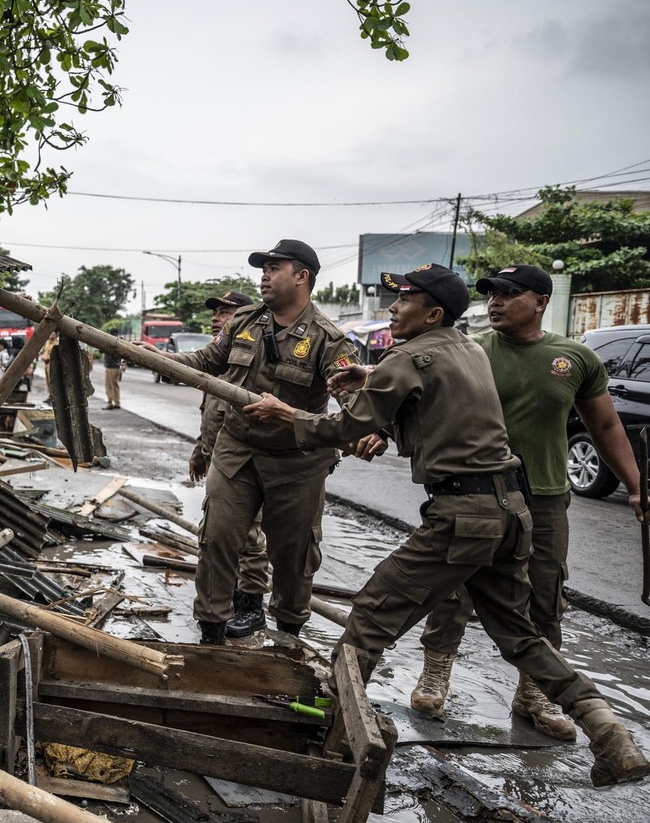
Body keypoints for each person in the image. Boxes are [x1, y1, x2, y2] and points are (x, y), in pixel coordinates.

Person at [243, 262, 650, 789]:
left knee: (372, 614)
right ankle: (610, 734)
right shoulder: (468, 349)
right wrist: (371, 380)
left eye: (403, 300)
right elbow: (430, 404)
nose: (393, 308)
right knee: (521, 636)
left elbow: (346, 425)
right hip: (512, 510)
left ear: (433, 313)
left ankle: (326, 726)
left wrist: (286, 413)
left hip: (463, 513)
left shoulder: (410, 356)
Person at [411, 264, 645, 741]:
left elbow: (604, 426)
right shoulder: (470, 350)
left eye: (510, 292)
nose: (495, 301)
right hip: (474, 492)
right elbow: (417, 395)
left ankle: (534, 691)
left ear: (541, 301)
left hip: (544, 496)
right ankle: (435, 673)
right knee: (456, 585)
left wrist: (636, 485)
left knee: (545, 593)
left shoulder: (575, 357)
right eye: (491, 293)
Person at [142, 239, 365, 645]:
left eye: (274, 268)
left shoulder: (328, 339)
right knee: (217, 539)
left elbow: (353, 400)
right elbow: (206, 361)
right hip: (237, 452)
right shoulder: (245, 321)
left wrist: (368, 430)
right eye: (263, 268)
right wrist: (157, 359)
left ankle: (288, 637)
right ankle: (211, 634)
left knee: (294, 557)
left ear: (302, 277)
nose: (264, 276)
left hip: (297, 463)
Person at [188, 290, 271, 638]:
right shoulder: (218, 361)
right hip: (218, 460)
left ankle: (252, 606)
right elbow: (210, 415)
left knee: (250, 535)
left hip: (244, 465)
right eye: (216, 312)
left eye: (225, 312)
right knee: (218, 536)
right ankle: (232, 599)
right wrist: (200, 452)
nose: (216, 318)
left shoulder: (251, 363)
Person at [103, 328, 122, 410]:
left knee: (109, 385)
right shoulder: (120, 342)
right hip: (117, 367)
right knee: (115, 385)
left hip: (110, 367)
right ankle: (117, 402)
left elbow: (101, 350)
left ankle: (110, 402)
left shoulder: (109, 342)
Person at [39, 331, 58, 403]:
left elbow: (56, 355)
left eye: (53, 334)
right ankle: (50, 396)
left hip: (52, 364)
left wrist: (48, 358)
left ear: (55, 336)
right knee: (48, 381)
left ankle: (54, 397)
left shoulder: (56, 344)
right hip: (46, 364)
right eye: (50, 334)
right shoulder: (47, 343)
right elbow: (44, 352)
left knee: (52, 381)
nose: (52, 335)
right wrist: (42, 356)